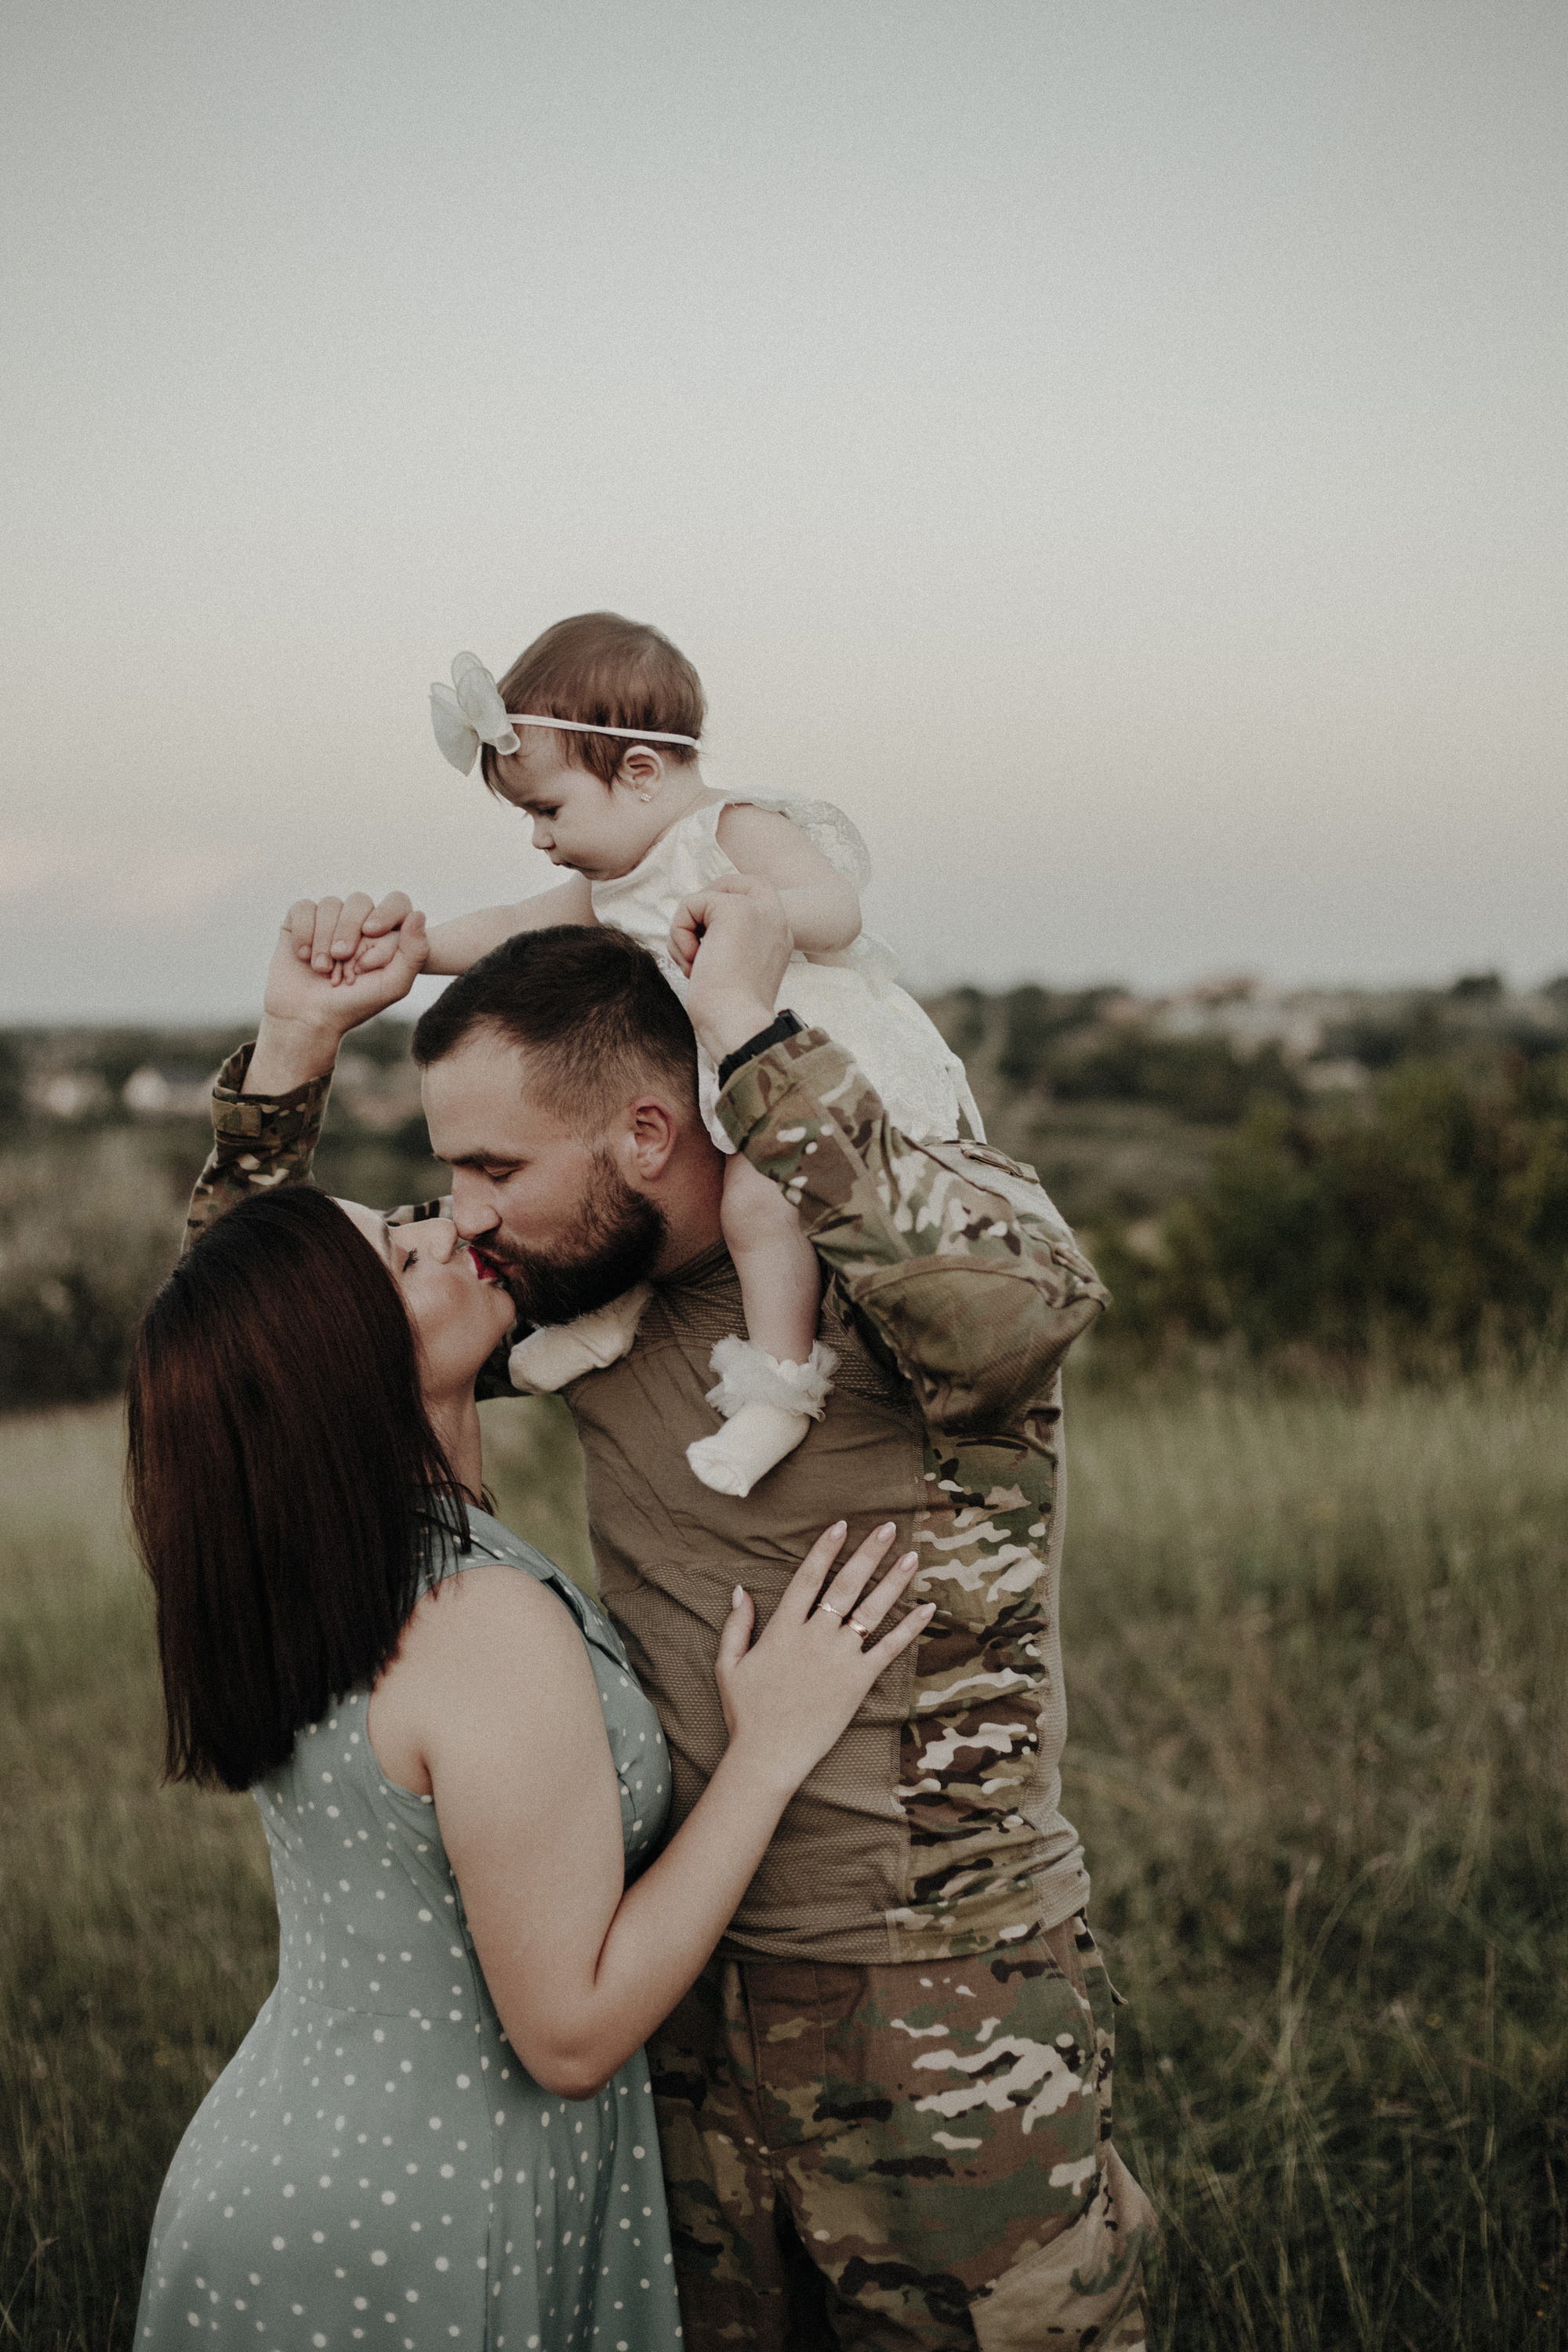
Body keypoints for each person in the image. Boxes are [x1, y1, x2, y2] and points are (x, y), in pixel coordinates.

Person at [200, 877, 1156, 2348]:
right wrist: (294, 1044)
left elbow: (1014, 1323)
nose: (463, 1212)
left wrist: (754, 1040)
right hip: (672, 1983)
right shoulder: (573, 1301)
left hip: (936, 1987)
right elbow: (269, 1353)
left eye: (493, 1165)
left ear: (646, 1133)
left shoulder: (892, 1236)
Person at [130, 911, 931, 2352]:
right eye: (403, 1248)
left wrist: (305, 1041)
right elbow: (564, 2035)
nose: (451, 1224)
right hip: (411, 2219)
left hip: (307, 2181)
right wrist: (772, 1746)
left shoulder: (320, 1557)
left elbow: (229, 1344)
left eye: (433, 1200)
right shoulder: (473, 1616)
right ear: (342, 1362)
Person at [311, 612, 985, 1501]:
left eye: (547, 810)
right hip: (714, 1074)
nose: (539, 838)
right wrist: (414, 949)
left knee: (751, 1202)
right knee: (626, 1196)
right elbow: (515, 924)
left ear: (637, 772)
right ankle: (603, 1322)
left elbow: (839, 910)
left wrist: (754, 915)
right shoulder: (614, 882)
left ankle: (778, 1384)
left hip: (804, 1066)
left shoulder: (730, 831)